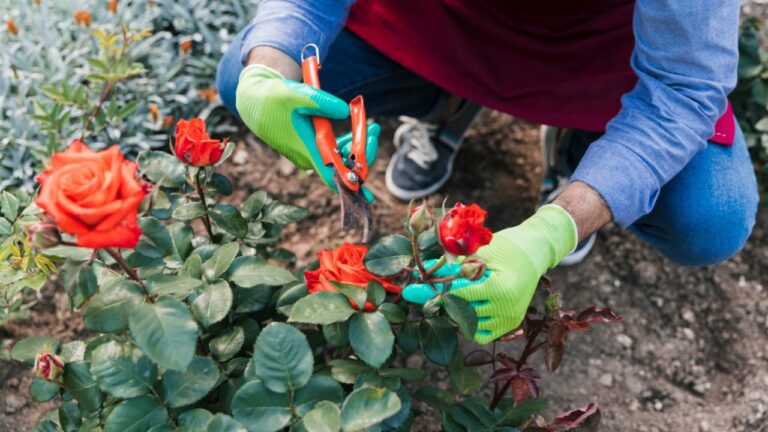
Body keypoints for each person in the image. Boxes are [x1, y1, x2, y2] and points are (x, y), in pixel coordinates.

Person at [217, 0, 758, 344]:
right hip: (442, 19)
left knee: (709, 216)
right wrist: (267, 71)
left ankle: (587, 146)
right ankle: (443, 101)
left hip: (606, 49)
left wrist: (556, 228)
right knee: (249, 72)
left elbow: (682, 87)